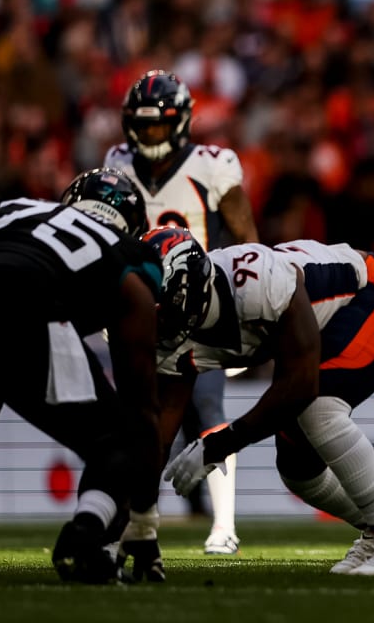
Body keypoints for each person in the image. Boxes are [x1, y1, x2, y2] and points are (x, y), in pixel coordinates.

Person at [141, 226, 374, 576]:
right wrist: (138, 524)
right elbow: (162, 426)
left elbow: (301, 385)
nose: (159, 319)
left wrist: (221, 442)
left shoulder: (253, 281)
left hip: (371, 292)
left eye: (165, 306)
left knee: (317, 409)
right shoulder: (175, 331)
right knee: (299, 472)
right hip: (313, 333)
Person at [0, 169, 165, 584]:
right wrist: (144, 519)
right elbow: (141, 398)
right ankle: (85, 536)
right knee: (119, 436)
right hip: (25, 299)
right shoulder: (129, 255)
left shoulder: (14, 208)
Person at [104, 69, 260, 555]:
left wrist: (243, 308)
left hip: (200, 308)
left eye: (158, 124)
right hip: (138, 309)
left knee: (209, 408)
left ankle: (224, 524)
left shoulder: (213, 164)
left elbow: (246, 239)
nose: (149, 135)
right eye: (142, 125)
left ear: (180, 123)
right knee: (137, 418)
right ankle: (129, 517)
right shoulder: (117, 162)